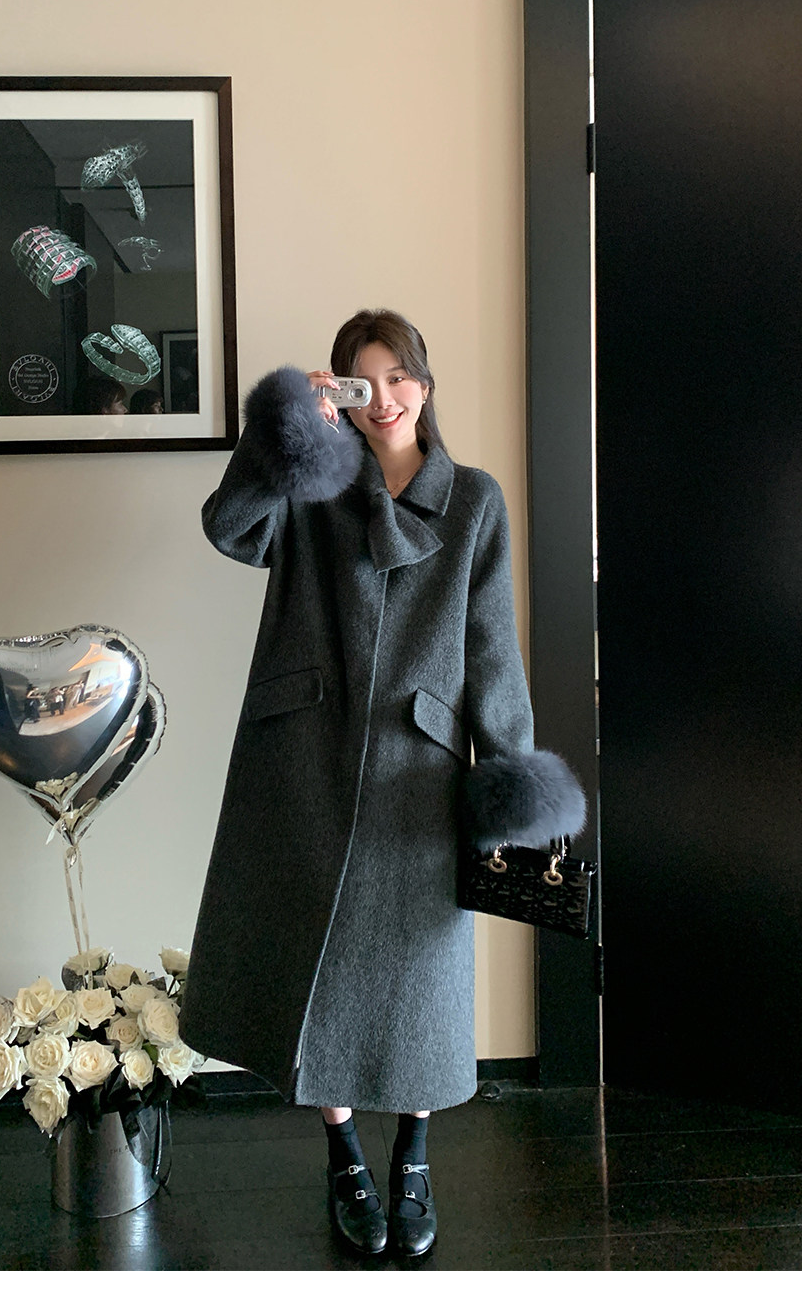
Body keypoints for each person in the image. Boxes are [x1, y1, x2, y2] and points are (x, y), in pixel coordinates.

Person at [179, 309, 585, 1258]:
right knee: (311, 963)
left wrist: (512, 770)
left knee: (417, 976)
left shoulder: (474, 500)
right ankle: (344, 1157)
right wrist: (290, 427)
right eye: (363, 383)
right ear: (343, 395)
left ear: (425, 386)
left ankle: (412, 1157)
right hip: (303, 755)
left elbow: (493, 650)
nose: (386, 398)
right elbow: (229, 529)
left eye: (400, 376)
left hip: (420, 769)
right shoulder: (314, 486)